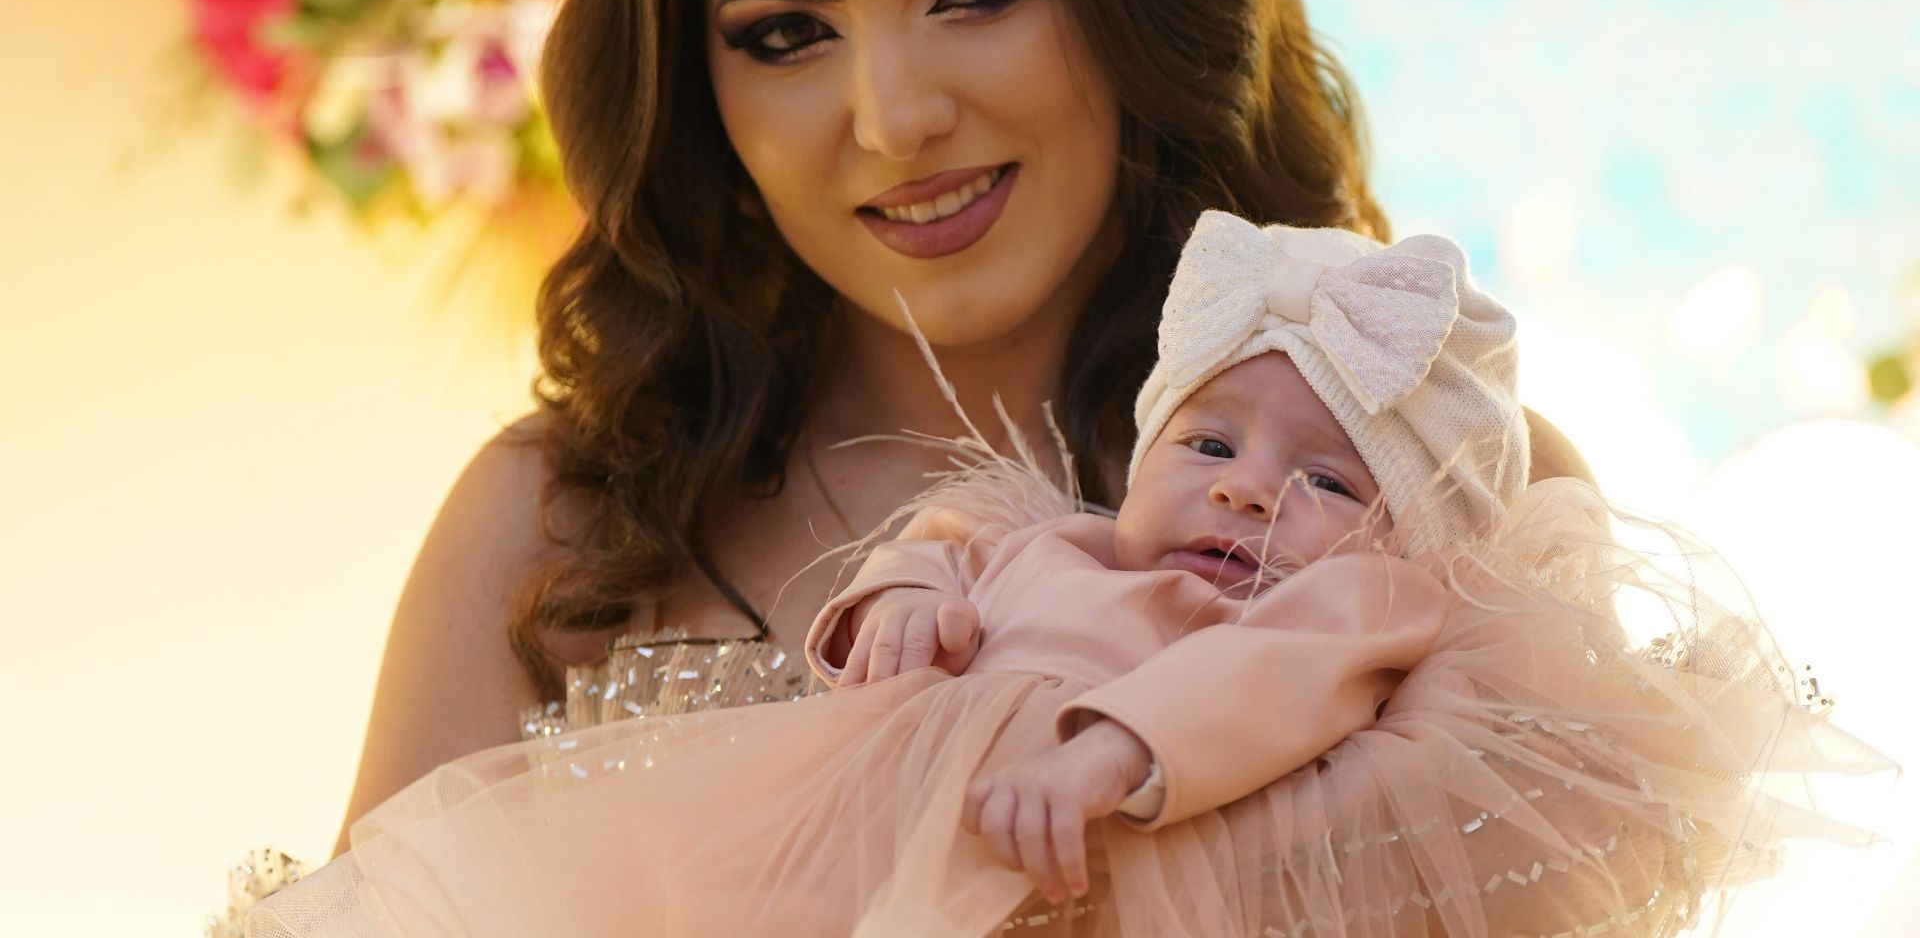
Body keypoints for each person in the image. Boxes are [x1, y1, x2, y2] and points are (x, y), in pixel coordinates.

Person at [249, 215, 1856, 937]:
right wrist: (901, 609)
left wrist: (1123, 753)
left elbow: (1277, 679)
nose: (1248, 497)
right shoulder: (1047, 535)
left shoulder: (1367, 604)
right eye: (1211, 447)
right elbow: (937, 549)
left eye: (1323, 482)